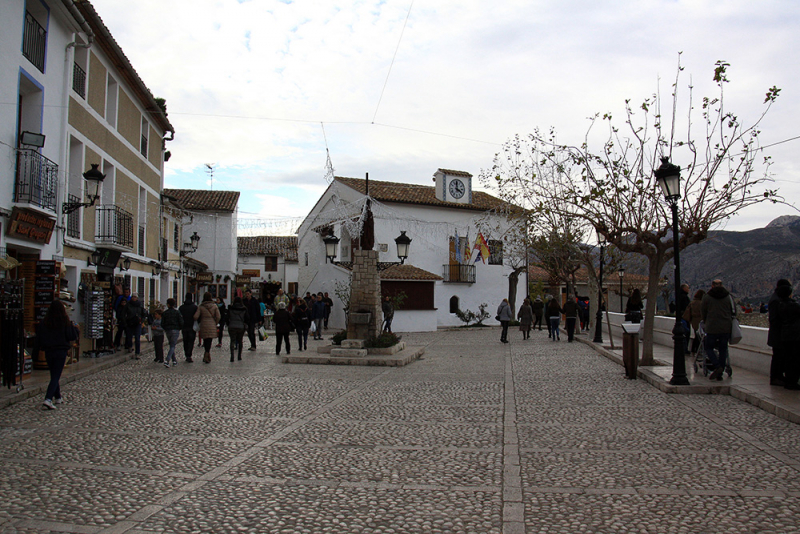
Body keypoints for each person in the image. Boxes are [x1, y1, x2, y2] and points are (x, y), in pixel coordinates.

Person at [37, 300, 79, 410]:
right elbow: (71, 336)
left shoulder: (45, 322)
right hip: (60, 351)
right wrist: (75, 329)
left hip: (49, 351)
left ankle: (58, 397)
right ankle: (48, 399)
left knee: (54, 374)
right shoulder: (65, 322)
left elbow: (39, 337)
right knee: (56, 376)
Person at [701, 279, 736, 381]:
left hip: (712, 327)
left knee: (709, 347)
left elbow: (703, 311)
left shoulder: (707, 297)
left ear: (712, 286)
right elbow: (733, 310)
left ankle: (717, 367)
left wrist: (706, 321)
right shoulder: (728, 297)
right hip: (726, 327)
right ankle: (721, 370)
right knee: (723, 349)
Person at [773, 282, 800, 390]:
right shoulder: (793, 306)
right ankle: (792, 381)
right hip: (795, 336)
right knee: (795, 360)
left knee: (788, 359)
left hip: (785, 336)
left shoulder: (780, 305)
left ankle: (789, 380)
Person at [767, 279, 792, 386]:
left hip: (777, 335)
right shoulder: (776, 301)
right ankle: (775, 377)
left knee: (779, 356)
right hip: (778, 335)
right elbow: (774, 319)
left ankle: (778, 376)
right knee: (778, 357)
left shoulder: (775, 299)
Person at [194, 293, 221, 364]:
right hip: (212, 324)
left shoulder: (201, 306)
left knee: (205, 340)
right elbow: (218, 316)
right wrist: (215, 322)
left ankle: (206, 354)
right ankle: (207, 354)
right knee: (209, 340)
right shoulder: (214, 306)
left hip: (203, 324)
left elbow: (195, 316)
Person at [161, 298, 183, 367]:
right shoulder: (177, 312)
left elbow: (162, 323)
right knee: (172, 346)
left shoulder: (165, 313)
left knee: (171, 345)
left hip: (168, 330)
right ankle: (167, 360)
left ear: (168, 304)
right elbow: (181, 322)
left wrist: (165, 328)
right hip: (175, 330)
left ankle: (174, 360)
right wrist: (179, 328)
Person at [683, 289, 705, 355]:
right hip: (700, 321)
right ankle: (697, 350)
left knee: (697, 335)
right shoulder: (701, 303)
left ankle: (693, 349)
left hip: (694, 321)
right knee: (700, 337)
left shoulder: (692, 302)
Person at [226, 296, 249, 362]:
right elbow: (247, 318)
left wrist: (228, 324)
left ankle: (232, 356)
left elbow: (227, 317)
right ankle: (239, 356)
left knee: (232, 341)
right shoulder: (244, 309)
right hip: (241, 327)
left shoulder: (230, 308)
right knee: (240, 341)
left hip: (232, 326)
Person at [124, 293, 146, 359]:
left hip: (137, 323)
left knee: (137, 338)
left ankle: (137, 353)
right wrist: (125, 322)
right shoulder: (128, 304)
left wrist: (141, 321)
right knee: (129, 337)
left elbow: (144, 313)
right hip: (129, 323)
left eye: (135, 297)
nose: (134, 298)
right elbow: (124, 313)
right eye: (133, 297)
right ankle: (130, 347)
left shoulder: (140, 305)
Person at [179, 293, 198, 362]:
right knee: (191, 341)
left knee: (185, 341)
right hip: (192, 326)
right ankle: (189, 355)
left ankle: (186, 354)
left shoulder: (181, 307)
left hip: (184, 326)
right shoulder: (194, 307)